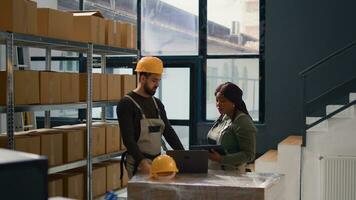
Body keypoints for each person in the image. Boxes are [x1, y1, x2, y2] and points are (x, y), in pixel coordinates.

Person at [117, 56, 184, 178]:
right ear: (143, 78)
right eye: (154, 80)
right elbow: (128, 139)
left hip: (158, 162)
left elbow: (168, 131)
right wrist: (142, 162)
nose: (157, 84)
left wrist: (184, 155)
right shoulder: (127, 103)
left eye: (158, 81)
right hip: (138, 163)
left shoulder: (157, 103)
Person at [207, 82, 256, 174]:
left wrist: (221, 159)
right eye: (217, 100)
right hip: (214, 172)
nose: (218, 104)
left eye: (223, 101)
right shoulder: (222, 118)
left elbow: (249, 155)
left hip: (232, 175)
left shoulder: (243, 122)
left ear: (234, 102)